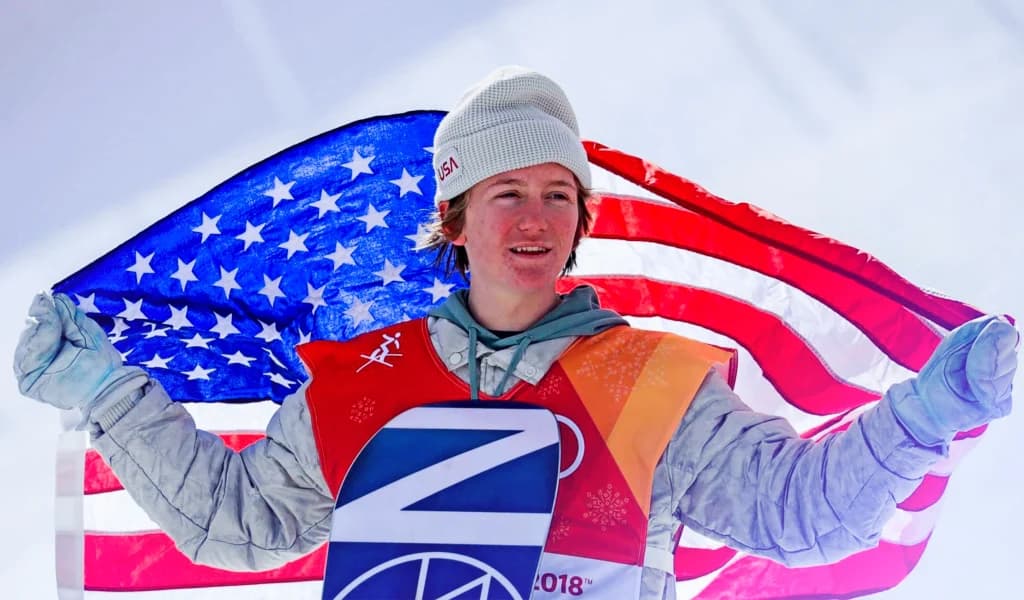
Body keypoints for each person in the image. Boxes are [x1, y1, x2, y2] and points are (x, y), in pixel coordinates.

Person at [13, 66, 1018, 600]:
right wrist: (109, 394)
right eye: (506, 194)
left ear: (581, 221)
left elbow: (804, 518)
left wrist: (926, 413)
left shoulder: (650, 380)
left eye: (556, 195)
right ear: (453, 221)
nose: (534, 218)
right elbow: (240, 527)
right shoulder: (367, 380)